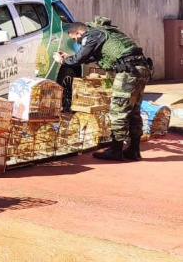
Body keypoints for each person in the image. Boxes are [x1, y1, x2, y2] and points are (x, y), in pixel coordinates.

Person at [54, 18, 152, 161]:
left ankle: (116, 150)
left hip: (128, 72)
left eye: (75, 39)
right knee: (133, 111)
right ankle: (134, 150)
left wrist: (63, 60)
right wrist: (72, 57)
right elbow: (91, 55)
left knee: (118, 110)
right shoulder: (105, 33)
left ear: (78, 32)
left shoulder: (91, 35)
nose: (77, 42)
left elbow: (79, 58)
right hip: (140, 68)